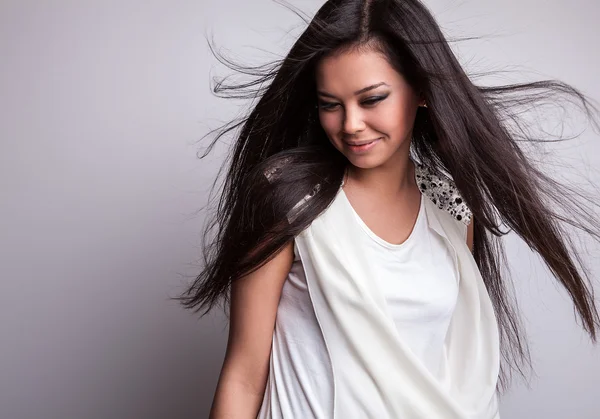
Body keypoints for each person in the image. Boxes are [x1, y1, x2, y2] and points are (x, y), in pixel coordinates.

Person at [177, 0, 600, 417]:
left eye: (372, 98)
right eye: (330, 104)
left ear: (419, 91)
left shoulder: (452, 209)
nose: (351, 124)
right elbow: (244, 377)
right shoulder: (289, 200)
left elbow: (443, 365)